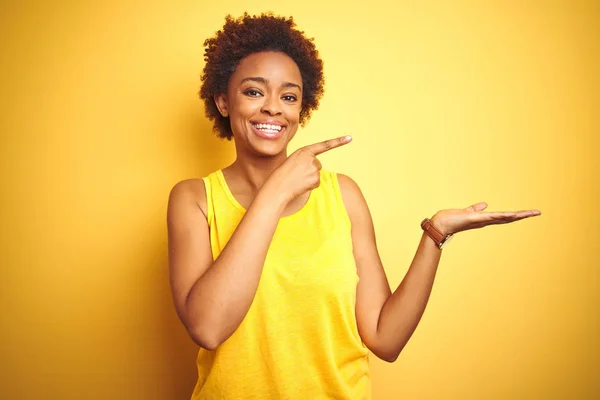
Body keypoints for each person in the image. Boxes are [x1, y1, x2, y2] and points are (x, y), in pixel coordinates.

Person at [167, 12, 541, 400]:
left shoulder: (342, 195)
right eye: (254, 91)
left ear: (301, 110)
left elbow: (384, 337)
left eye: (289, 96)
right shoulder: (194, 198)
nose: (274, 108)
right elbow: (207, 327)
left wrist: (436, 234)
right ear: (223, 101)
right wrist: (275, 193)